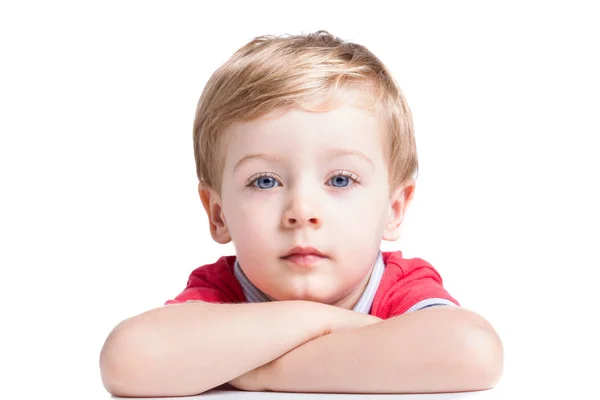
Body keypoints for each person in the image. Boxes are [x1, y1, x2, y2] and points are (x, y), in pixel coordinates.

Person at [99, 30, 503, 397]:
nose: (302, 212)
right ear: (218, 214)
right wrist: (325, 322)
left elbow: (473, 351)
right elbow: (128, 361)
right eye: (264, 181)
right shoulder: (220, 293)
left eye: (341, 180)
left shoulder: (399, 286)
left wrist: (264, 372)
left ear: (393, 210)